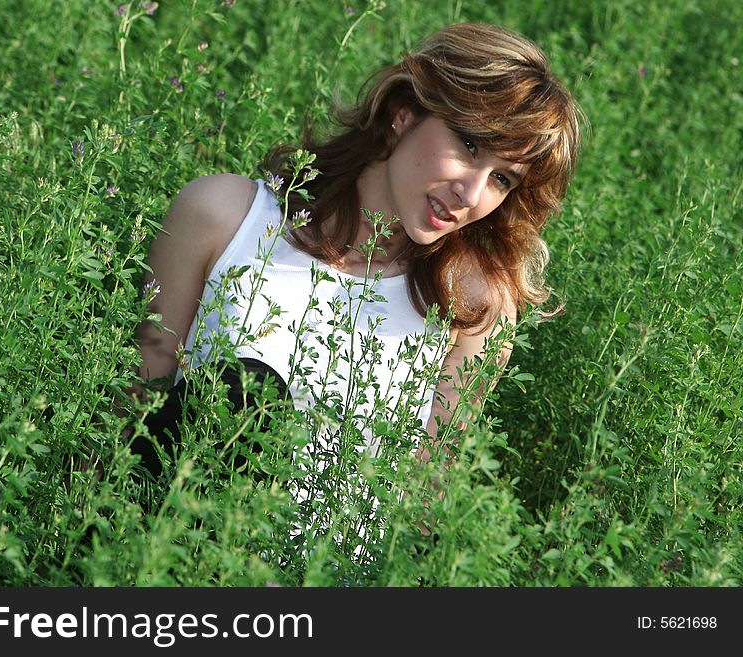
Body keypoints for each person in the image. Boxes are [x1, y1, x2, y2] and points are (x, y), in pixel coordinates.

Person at [123, 23, 583, 506]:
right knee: (248, 388)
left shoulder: (469, 305)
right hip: (174, 546)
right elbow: (130, 408)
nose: (470, 193)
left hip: (332, 573)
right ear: (403, 113)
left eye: (501, 179)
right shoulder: (224, 216)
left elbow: (423, 506)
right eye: (469, 145)